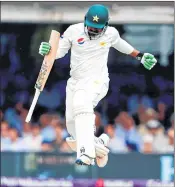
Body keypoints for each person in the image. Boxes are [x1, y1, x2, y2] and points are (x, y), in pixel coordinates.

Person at [39, 4, 157, 166]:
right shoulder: (74, 31)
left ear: (106, 26)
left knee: (82, 105)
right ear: (85, 21)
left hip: (96, 81)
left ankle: (86, 153)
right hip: (75, 81)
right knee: (73, 128)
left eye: (97, 29)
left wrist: (140, 56)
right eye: (91, 27)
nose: (93, 31)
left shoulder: (110, 34)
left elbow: (121, 44)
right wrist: (49, 50)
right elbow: (60, 51)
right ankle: (100, 145)